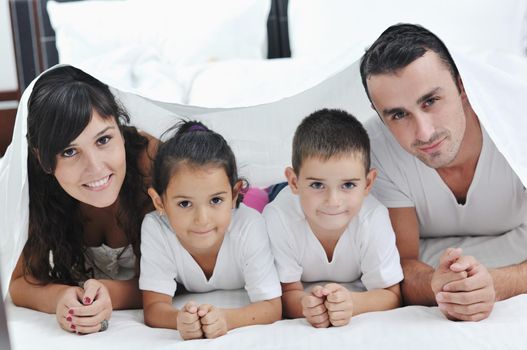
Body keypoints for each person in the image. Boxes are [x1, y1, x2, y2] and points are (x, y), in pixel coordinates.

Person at [359, 23, 527, 321]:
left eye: (431, 101)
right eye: (398, 114)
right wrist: (439, 285)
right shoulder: (375, 149)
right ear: (377, 112)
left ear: (462, 86)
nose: (424, 133)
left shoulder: (516, 119)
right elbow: (401, 264)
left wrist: (498, 284)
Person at [9, 65, 156, 334]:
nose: (95, 168)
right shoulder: (34, 186)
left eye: (103, 140)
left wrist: (112, 293)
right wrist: (60, 297)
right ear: (42, 158)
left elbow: (191, 268)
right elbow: (19, 282)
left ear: (120, 129)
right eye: (68, 151)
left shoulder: (151, 164)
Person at [139, 120, 282, 340]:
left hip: (256, 204)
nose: (202, 219)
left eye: (215, 199)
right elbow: (154, 307)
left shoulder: (249, 225)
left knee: (266, 199)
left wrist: (226, 319)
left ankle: (258, 193)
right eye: (185, 204)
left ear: (234, 195)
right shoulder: (156, 228)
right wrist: (179, 320)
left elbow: (272, 307)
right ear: (159, 202)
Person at [263, 109, 403, 328]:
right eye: (317, 185)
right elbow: (287, 292)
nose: (333, 201)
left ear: (368, 183)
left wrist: (352, 303)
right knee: (257, 203)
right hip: (283, 198)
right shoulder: (278, 218)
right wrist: (306, 306)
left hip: (305, 202)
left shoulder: (373, 218)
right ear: (294, 181)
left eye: (348, 185)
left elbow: (391, 294)